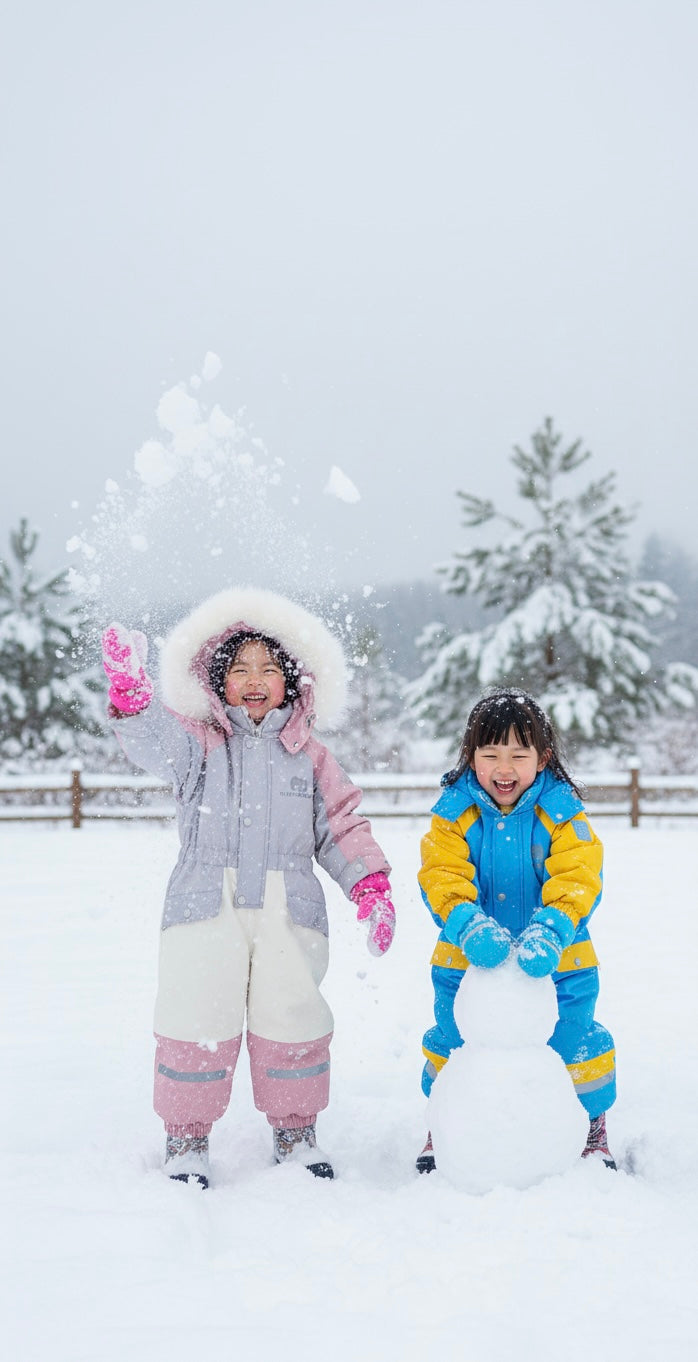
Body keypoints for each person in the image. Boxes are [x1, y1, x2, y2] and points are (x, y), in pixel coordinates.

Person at [101, 587, 396, 1187]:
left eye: (268, 668)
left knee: (292, 1016)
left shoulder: (311, 757)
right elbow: (153, 742)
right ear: (217, 681)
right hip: (205, 905)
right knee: (195, 1015)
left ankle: (296, 1132)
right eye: (239, 668)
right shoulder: (199, 745)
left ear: (292, 682)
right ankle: (186, 1139)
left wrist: (369, 886)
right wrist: (134, 698)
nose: (254, 679)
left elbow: (341, 823)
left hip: (290, 909)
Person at [416, 688, 616, 1175]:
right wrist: (466, 923)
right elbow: (441, 875)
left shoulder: (563, 813)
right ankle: (445, 1122)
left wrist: (553, 927)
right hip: (465, 958)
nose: (503, 768)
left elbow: (579, 875)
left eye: (518, 755)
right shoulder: (453, 815)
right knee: (455, 1037)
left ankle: (590, 1124)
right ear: (471, 756)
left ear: (542, 758)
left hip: (561, 958)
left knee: (572, 1038)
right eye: (490, 754)